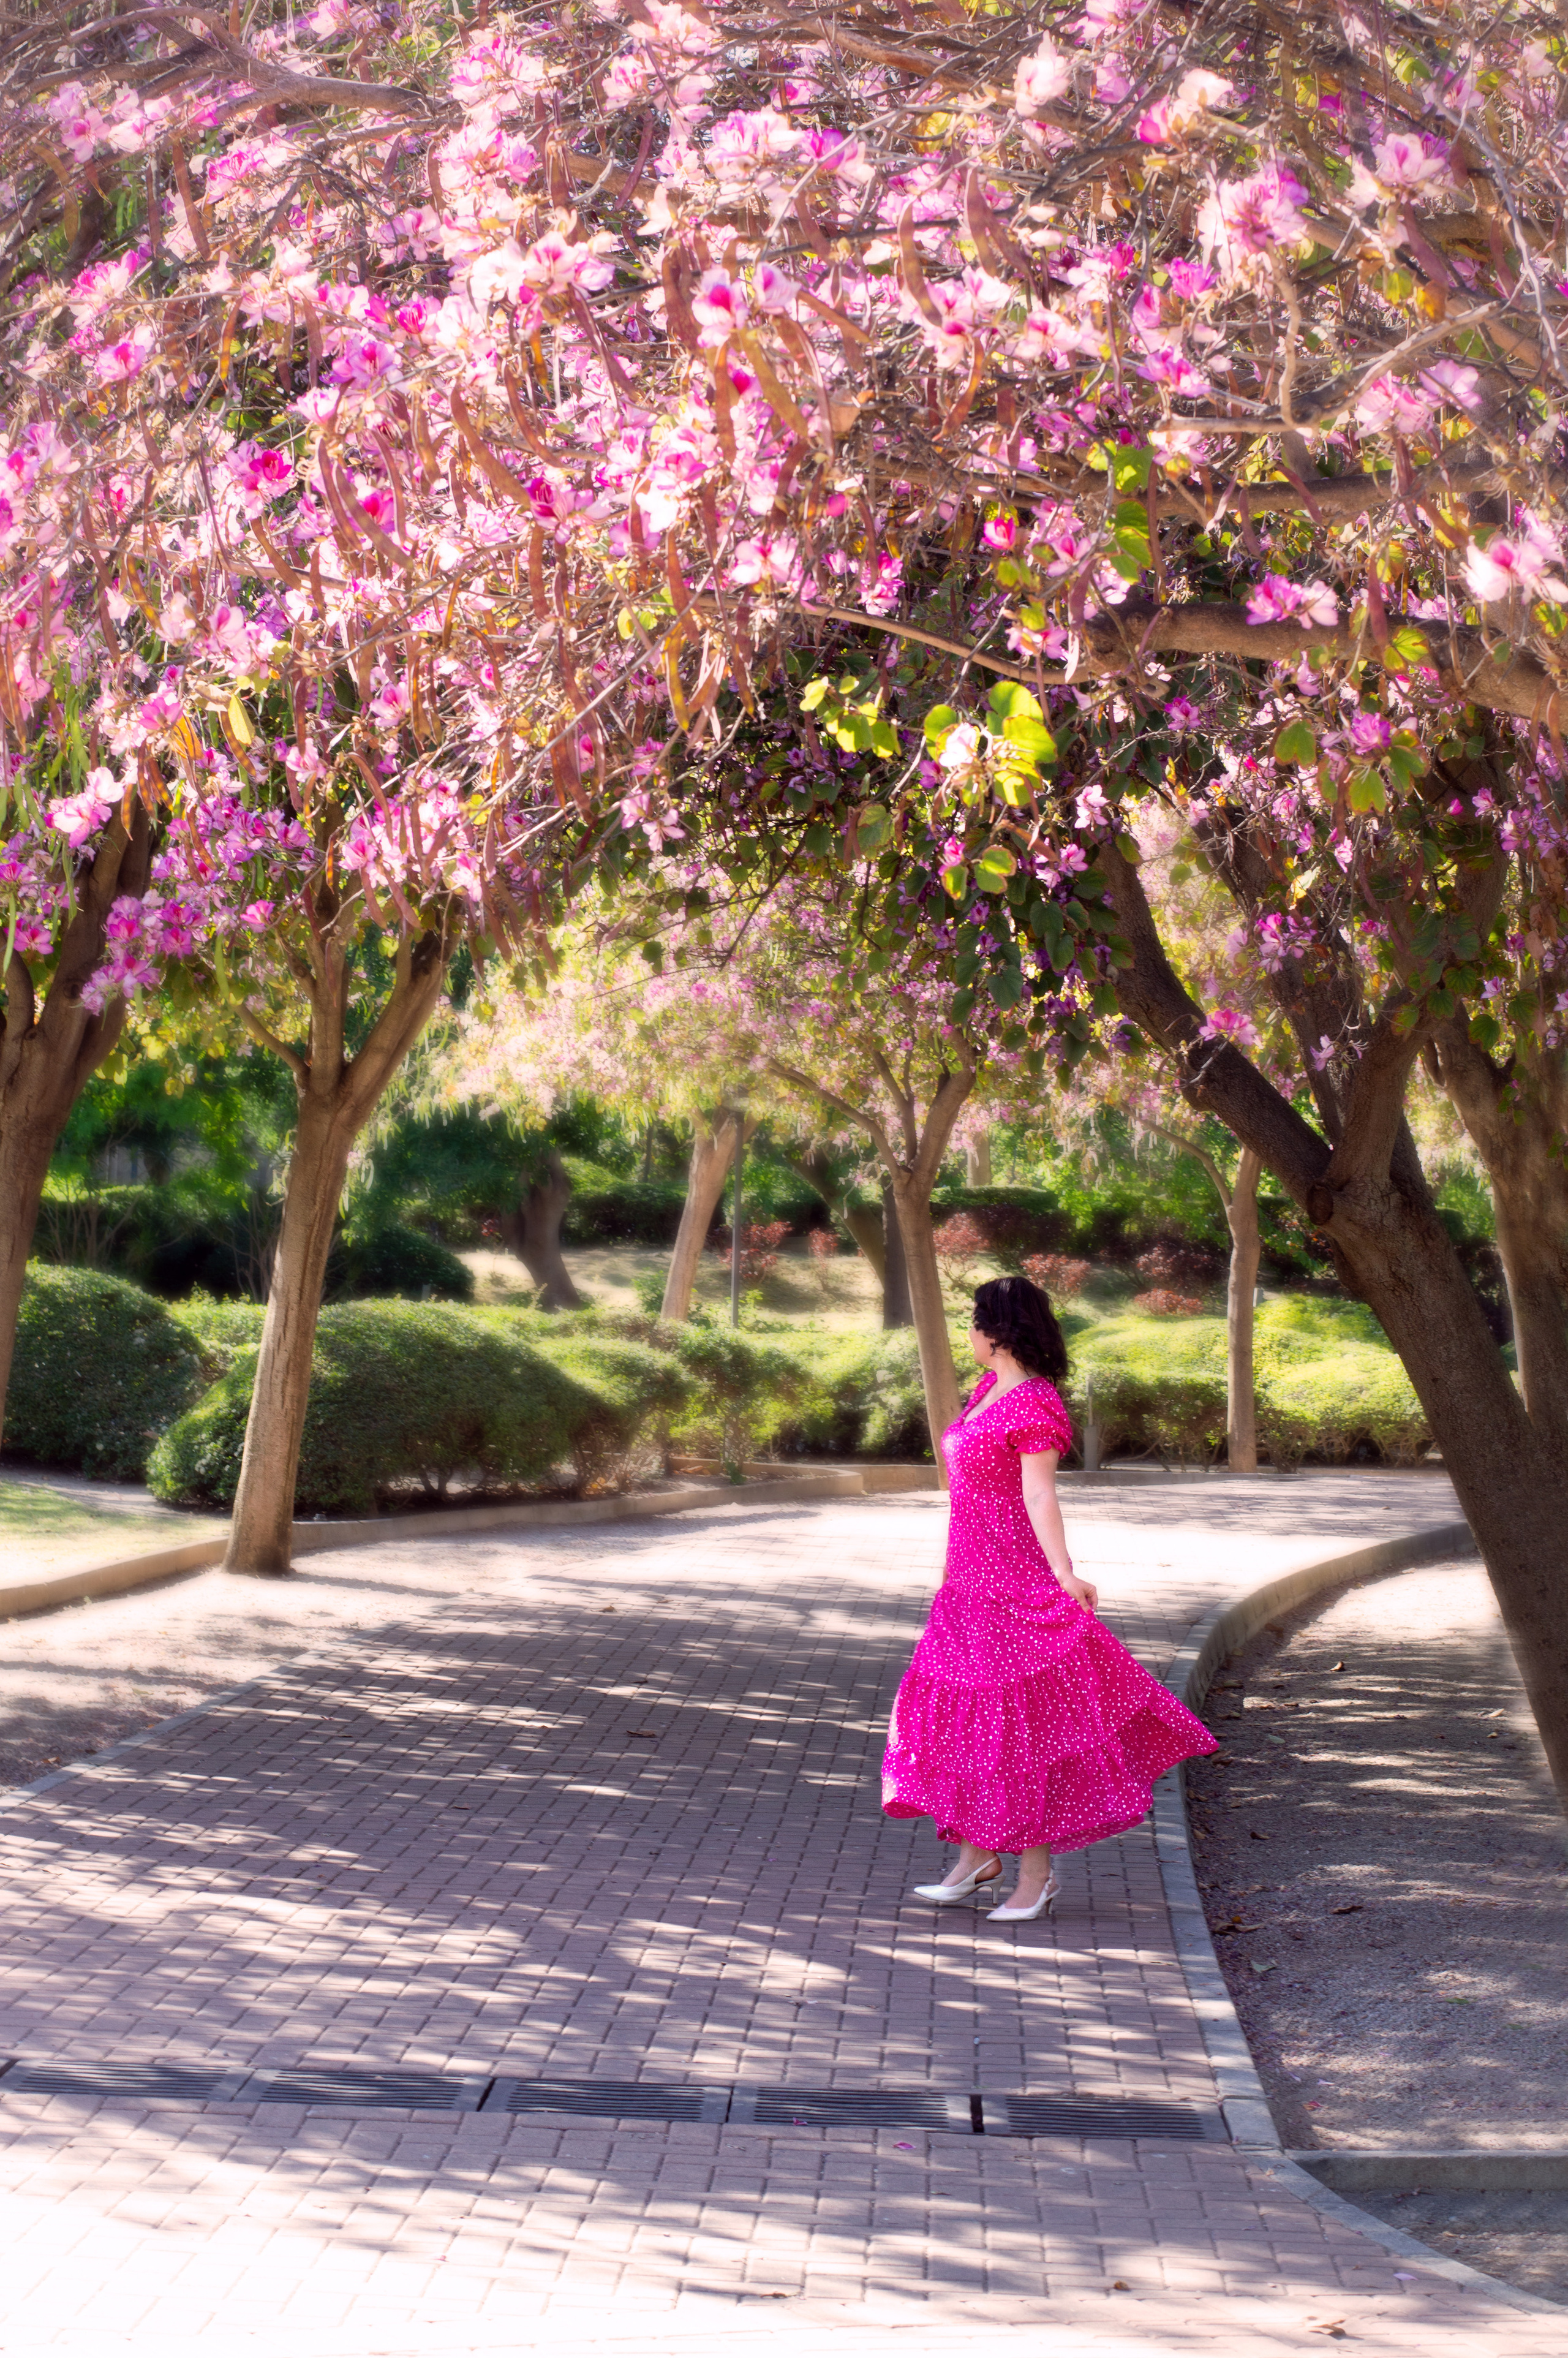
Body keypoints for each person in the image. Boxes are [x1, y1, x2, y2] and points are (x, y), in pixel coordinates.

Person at [881, 1272, 1217, 1921]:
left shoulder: (1033, 1403)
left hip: (1013, 1583)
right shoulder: (986, 1392)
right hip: (966, 1584)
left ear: (998, 1330)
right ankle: (976, 1856)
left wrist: (1063, 1572)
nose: (969, 1333)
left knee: (1017, 1729)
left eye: (975, 1321)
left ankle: (1035, 1877)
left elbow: (1038, 1494)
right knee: (969, 1719)